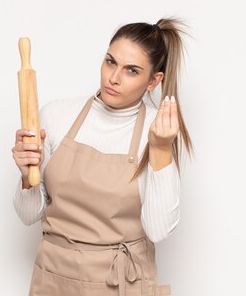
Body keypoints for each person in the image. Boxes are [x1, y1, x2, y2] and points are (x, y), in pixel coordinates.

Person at [11, 17, 193, 296]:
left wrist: (159, 149)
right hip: (53, 278)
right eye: (110, 62)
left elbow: (158, 231)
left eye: (131, 70)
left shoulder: (156, 130)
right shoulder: (57, 115)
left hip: (120, 284)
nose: (114, 78)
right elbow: (28, 215)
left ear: (153, 81)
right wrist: (26, 177)